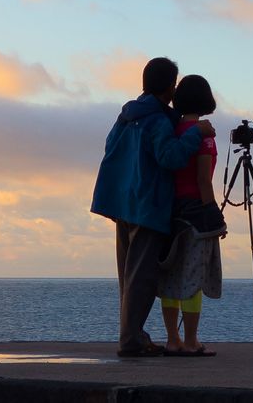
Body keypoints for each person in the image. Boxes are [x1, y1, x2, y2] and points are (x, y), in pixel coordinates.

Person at [90, 57, 215, 358]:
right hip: (147, 206)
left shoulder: (128, 114)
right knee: (142, 277)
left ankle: (133, 336)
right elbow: (170, 158)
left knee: (127, 276)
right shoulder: (158, 120)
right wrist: (195, 133)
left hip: (122, 202)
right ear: (169, 86)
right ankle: (131, 341)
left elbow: (110, 147)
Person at [158, 73, 225, 357]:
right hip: (196, 212)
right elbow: (203, 180)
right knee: (193, 278)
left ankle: (172, 340)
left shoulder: (172, 130)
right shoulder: (204, 136)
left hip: (170, 211)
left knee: (172, 277)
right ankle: (191, 341)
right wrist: (214, 215)